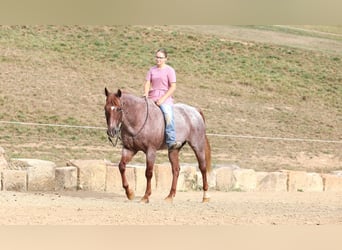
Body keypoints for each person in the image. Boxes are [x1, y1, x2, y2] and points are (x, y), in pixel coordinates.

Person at [143, 48, 182, 150]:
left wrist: (163, 99)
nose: (158, 59)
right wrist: (146, 94)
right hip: (152, 96)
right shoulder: (152, 70)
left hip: (165, 97)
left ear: (166, 59)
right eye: (157, 57)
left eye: (160, 57)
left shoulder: (170, 70)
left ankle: (171, 140)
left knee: (168, 114)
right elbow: (147, 82)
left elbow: (173, 87)